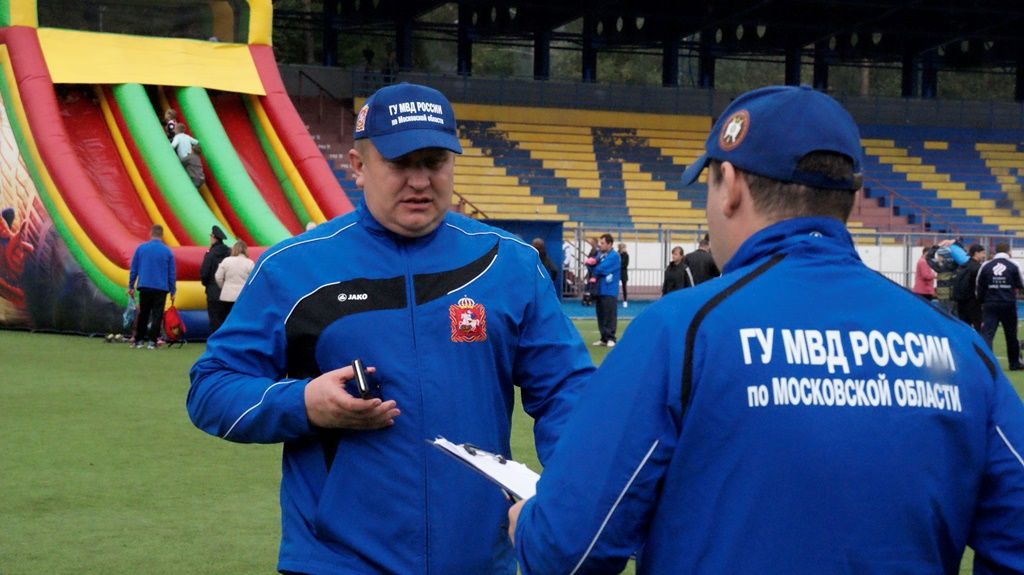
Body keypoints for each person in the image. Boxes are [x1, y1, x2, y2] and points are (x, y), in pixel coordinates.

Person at [508, 86, 1024, 574]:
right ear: (851, 196)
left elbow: (567, 551)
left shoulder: (680, 332)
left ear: (731, 186)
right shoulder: (958, 348)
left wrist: (526, 524)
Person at [187, 82, 594, 575]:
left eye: (434, 162)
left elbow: (568, 393)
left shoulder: (507, 263)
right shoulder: (292, 268)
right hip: (336, 563)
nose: (420, 181)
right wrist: (304, 403)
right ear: (358, 166)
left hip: (477, 560)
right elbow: (211, 388)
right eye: (401, 163)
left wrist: (576, 492)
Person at [977, 242, 1024, 371]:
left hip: (990, 303)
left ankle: (987, 364)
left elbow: (979, 285)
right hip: (1008, 303)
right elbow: (1021, 283)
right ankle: (1014, 363)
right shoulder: (1014, 265)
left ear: (995, 251)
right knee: (1011, 335)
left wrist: (982, 301)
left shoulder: (986, 265)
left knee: (988, 334)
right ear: (1008, 251)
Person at [128, 224, 176, 349]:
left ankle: (139, 340)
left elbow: (134, 269)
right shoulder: (167, 251)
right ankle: (152, 341)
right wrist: (173, 290)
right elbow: (171, 273)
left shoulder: (141, 248)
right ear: (162, 235)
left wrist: (131, 285)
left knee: (143, 313)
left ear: (150, 233)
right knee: (157, 315)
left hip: (145, 285)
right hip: (161, 288)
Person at [586, 233, 620, 347]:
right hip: (599, 289)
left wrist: (593, 265)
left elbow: (601, 269)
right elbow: (590, 266)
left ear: (610, 244)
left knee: (609, 314)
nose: (600, 245)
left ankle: (611, 338)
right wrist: (591, 264)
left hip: (609, 290)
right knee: (601, 314)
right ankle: (604, 338)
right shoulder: (600, 255)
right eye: (600, 243)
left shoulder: (614, 256)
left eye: (603, 243)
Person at [199, 225, 231, 333]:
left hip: (213, 292)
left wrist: (207, 284)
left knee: (214, 320)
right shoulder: (229, 253)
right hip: (227, 292)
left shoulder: (210, 254)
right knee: (226, 320)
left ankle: (216, 340)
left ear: (214, 238)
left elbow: (204, 273)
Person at [214, 240, 254, 317]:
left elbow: (218, 277)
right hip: (242, 297)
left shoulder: (226, 261)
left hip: (226, 296)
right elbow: (253, 280)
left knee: (226, 319)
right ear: (245, 250)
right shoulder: (250, 263)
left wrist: (223, 286)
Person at [954, 243, 985, 331]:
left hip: (961, 301)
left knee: (964, 328)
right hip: (974, 301)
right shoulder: (978, 268)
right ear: (976, 253)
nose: (984, 255)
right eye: (982, 253)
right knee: (978, 327)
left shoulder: (962, 266)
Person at [170, 123, 204, 188]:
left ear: (177, 130)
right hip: (189, 156)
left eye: (175, 129)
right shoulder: (187, 136)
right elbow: (196, 142)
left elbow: (173, 145)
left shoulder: (177, 137)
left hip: (184, 158)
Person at [617, 243, 629, 308]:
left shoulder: (626, 255)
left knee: (624, 287)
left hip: (623, 273)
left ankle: (625, 301)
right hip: (617, 272)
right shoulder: (617, 254)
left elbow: (625, 264)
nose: (623, 249)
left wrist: (619, 265)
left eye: (624, 247)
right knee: (615, 286)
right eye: (622, 247)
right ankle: (614, 299)